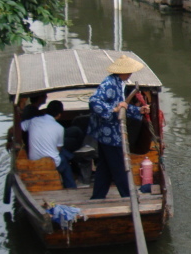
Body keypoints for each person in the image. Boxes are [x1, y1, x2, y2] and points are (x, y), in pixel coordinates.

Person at [88, 54, 150, 199]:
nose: (130, 74)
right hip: (109, 134)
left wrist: (138, 110)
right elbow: (94, 102)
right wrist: (113, 110)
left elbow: (123, 106)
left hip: (108, 133)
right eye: (129, 71)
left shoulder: (119, 83)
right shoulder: (109, 83)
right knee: (119, 166)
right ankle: (128, 196)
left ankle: (97, 197)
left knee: (104, 167)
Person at [22, 100, 77, 189]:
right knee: (65, 164)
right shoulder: (59, 128)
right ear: (59, 115)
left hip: (33, 159)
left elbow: (17, 128)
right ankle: (72, 187)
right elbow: (58, 150)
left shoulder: (33, 121)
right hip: (52, 162)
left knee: (63, 153)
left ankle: (72, 158)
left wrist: (10, 139)